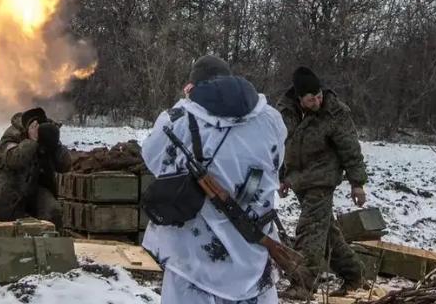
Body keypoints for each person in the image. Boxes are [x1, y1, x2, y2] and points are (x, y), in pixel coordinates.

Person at [141, 55, 287, 304]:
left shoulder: (179, 118)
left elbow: (153, 159)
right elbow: (277, 162)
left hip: (193, 258)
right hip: (254, 252)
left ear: (193, 86)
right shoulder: (271, 118)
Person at [277, 67, 368, 300]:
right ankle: (354, 275)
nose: (317, 101)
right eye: (311, 99)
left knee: (309, 229)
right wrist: (281, 176)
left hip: (323, 179)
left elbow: (350, 148)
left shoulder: (334, 112)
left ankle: (303, 283)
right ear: (299, 98)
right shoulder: (285, 111)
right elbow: (279, 144)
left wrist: (357, 183)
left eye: (319, 96)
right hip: (299, 179)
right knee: (326, 233)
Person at [0, 107, 71, 232]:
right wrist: (32, 141)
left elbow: (65, 165)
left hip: (36, 189)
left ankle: (50, 247)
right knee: (14, 229)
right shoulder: (12, 135)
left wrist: (55, 144)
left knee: (52, 211)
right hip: (9, 192)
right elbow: (13, 160)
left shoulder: (46, 135)